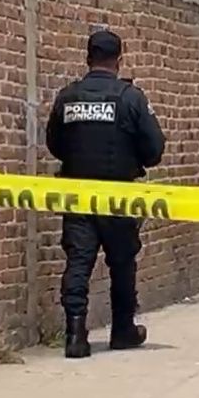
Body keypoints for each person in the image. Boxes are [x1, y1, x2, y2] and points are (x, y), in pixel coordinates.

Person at [46, 29, 164, 360]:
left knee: (78, 262)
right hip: (118, 196)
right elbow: (154, 149)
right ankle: (123, 330)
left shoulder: (67, 97)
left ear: (88, 58)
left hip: (77, 194)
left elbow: (54, 144)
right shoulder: (131, 98)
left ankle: (75, 334)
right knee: (122, 264)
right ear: (119, 60)